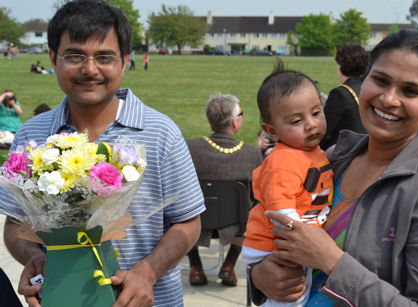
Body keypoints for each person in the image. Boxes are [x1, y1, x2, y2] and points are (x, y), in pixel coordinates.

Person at [0, 1, 204, 306]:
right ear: (53, 59)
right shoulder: (31, 137)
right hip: (63, 297)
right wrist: (34, 258)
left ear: (125, 61)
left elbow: (188, 222)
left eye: (104, 57)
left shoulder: (161, 132)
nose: (90, 69)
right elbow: (15, 224)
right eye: (75, 56)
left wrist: (147, 272)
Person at [248, 29, 418, 306]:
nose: (388, 99)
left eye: (410, 91)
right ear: (365, 79)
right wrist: (259, 277)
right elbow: (270, 234)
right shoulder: (334, 158)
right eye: (381, 80)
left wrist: (332, 261)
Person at [241, 62, 333, 306]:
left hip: (291, 245)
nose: (311, 124)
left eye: (316, 113)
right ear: (272, 131)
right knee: (290, 298)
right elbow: (281, 211)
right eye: (296, 121)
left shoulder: (311, 151)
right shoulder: (283, 160)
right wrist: (306, 242)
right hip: (276, 246)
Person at [186, 93, 262, 286]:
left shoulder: (190, 147)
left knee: (180, 209)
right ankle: (229, 265)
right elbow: (257, 195)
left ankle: (196, 267)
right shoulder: (251, 153)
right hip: (237, 225)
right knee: (252, 210)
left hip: (196, 221)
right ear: (235, 123)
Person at [319, 44, 369, 150]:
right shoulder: (367, 88)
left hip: (341, 153)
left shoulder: (339, 94)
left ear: (341, 66)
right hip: (364, 148)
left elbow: (324, 131)